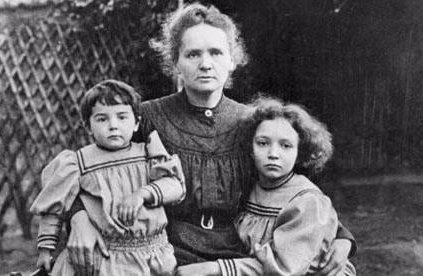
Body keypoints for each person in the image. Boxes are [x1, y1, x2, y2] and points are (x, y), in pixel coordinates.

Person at [68, 3, 356, 275]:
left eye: (216, 53)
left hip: (237, 254)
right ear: (175, 62)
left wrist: (342, 237)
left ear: (232, 61)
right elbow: (88, 170)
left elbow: (294, 188)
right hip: (168, 254)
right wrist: (79, 217)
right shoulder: (146, 118)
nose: (205, 64)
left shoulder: (252, 123)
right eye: (193, 54)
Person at [29, 79, 186, 276]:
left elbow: (175, 186)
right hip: (105, 258)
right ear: (88, 126)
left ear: (136, 123)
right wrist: (46, 250)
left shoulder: (149, 153)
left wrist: (143, 193)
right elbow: (54, 206)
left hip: (153, 255)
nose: (113, 126)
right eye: (102, 119)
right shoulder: (77, 162)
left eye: (122, 117)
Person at [232, 97, 356, 275]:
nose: (273, 154)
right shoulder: (250, 187)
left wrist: (219, 268)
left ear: (300, 153)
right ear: (250, 148)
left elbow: (285, 269)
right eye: (263, 143)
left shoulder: (306, 199)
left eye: (286, 146)